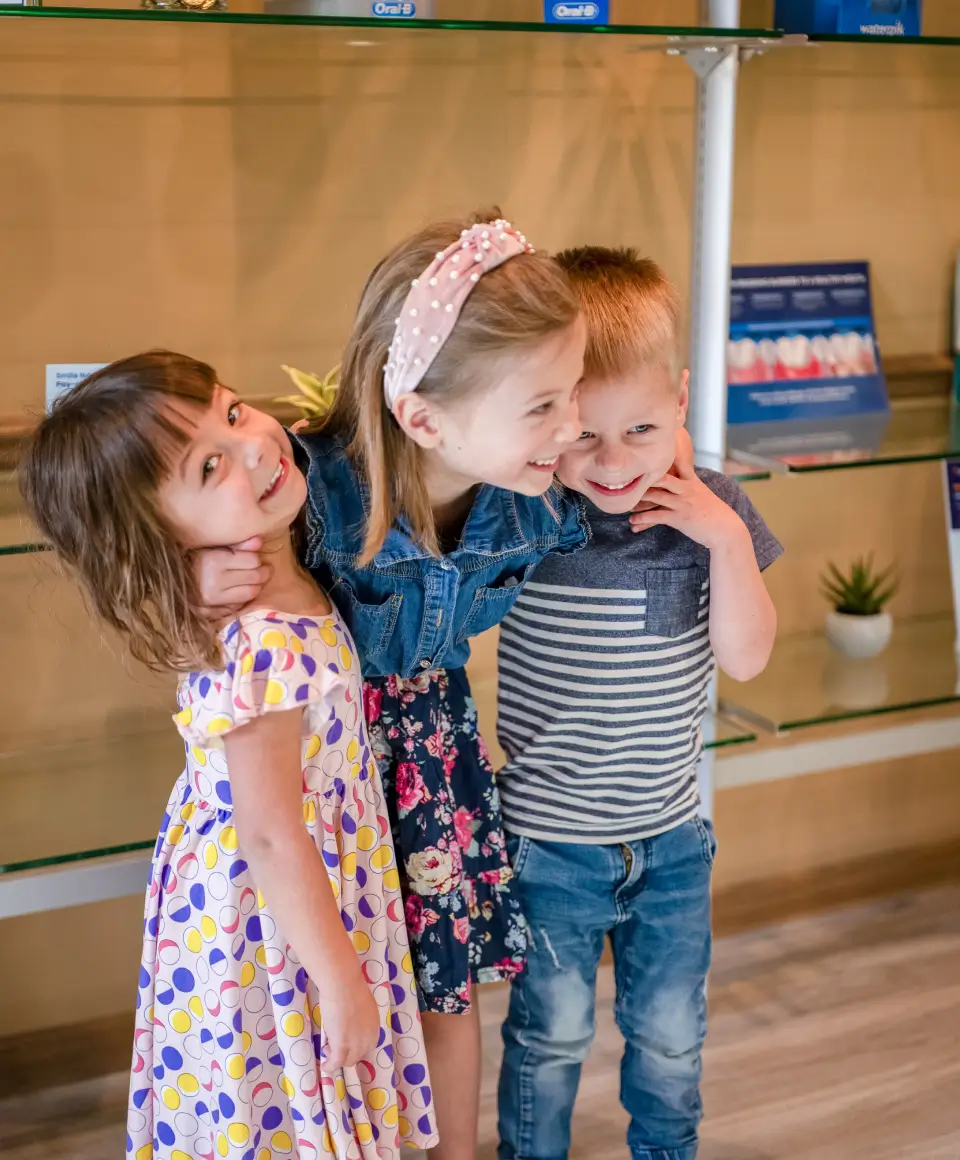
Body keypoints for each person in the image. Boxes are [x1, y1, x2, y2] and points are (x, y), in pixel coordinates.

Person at [194, 213, 590, 1159]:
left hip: (431, 766)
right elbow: (167, 518)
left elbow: (638, 477)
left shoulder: (540, 499)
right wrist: (193, 577)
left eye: (572, 394)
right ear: (422, 417)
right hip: (321, 785)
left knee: (444, 989)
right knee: (323, 999)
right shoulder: (310, 484)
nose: (571, 426)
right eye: (543, 406)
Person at [19, 352, 437, 1160]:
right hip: (276, 914)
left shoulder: (269, 573)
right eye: (210, 464)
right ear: (160, 532)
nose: (253, 448)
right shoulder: (264, 641)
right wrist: (343, 982)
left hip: (291, 889)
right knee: (283, 1096)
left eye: (235, 412)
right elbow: (274, 835)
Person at [495, 247, 783, 1160]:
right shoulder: (526, 513)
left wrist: (725, 540)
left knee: (669, 1036)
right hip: (548, 846)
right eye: (586, 433)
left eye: (643, 430)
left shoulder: (715, 513)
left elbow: (745, 658)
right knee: (552, 1036)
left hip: (669, 841)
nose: (614, 463)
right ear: (547, 420)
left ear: (683, 405)